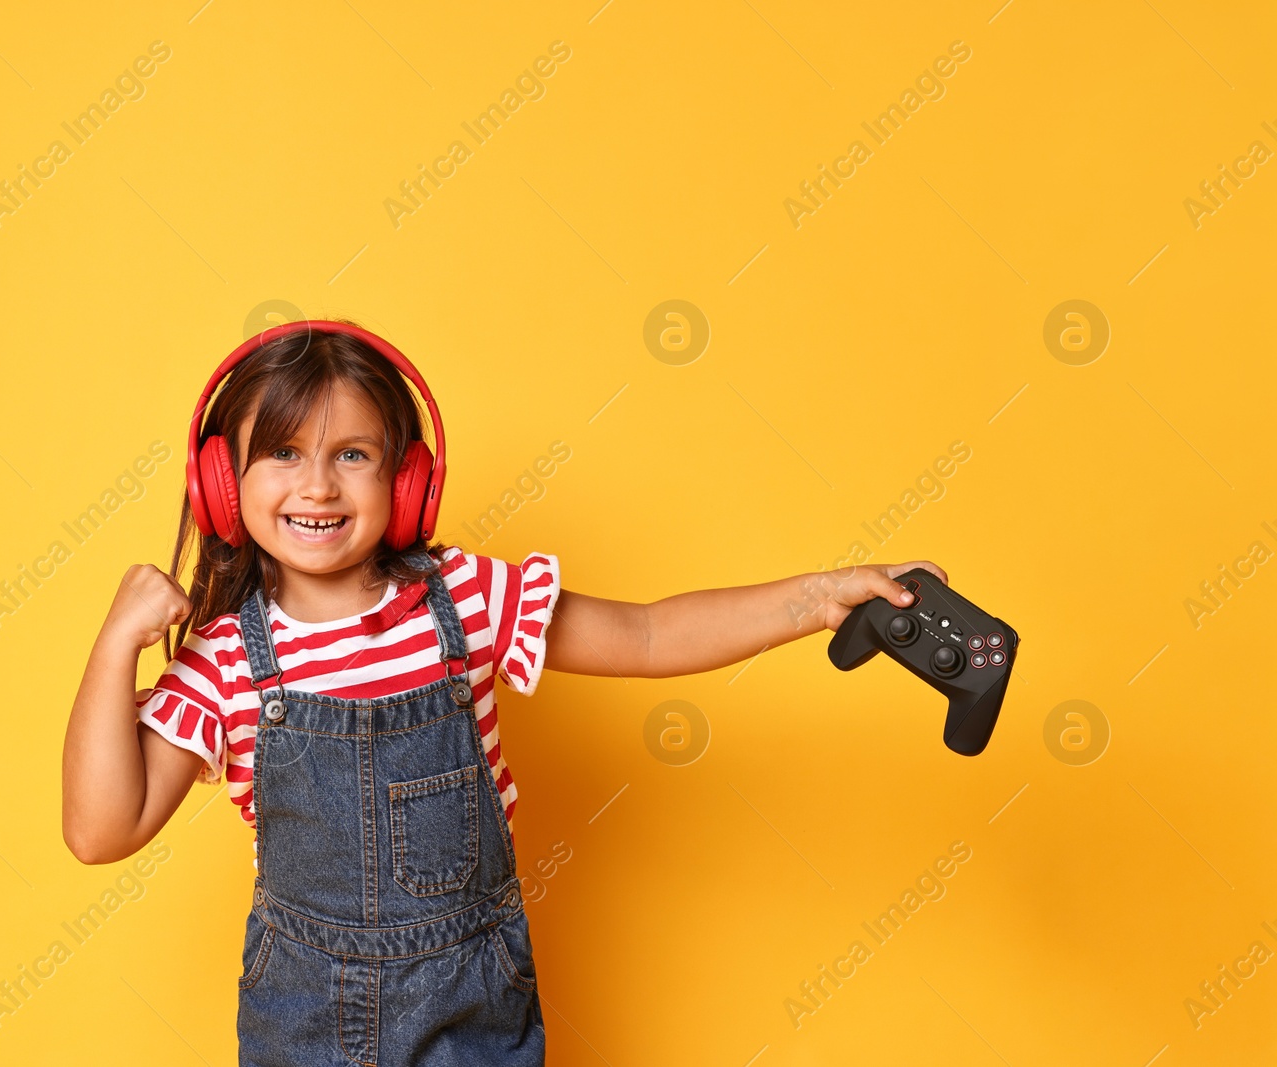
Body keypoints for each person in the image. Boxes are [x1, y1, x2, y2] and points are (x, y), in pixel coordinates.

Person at [61, 318, 947, 1065]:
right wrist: (112, 649)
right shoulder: (223, 661)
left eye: (354, 453)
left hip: (471, 1010)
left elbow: (647, 634)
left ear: (406, 479)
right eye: (283, 453)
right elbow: (101, 830)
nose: (319, 484)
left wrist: (817, 598)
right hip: (307, 1021)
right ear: (225, 484)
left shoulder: (468, 599)